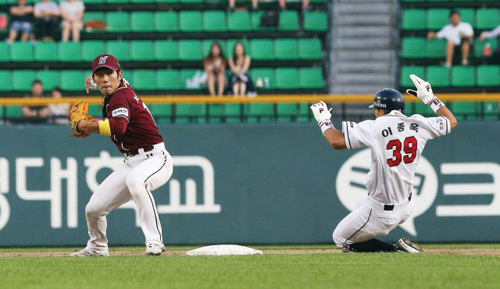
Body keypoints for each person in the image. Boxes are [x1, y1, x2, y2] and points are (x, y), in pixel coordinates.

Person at [310, 74, 458, 253]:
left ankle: (397, 251)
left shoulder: (376, 126)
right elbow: (451, 121)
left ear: (381, 110)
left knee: (340, 239)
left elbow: (337, 141)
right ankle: (381, 237)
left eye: (376, 109)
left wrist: (324, 121)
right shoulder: (419, 123)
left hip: (383, 211)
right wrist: (430, 99)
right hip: (406, 206)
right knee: (361, 202)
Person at [70, 54, 174, 257]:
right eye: (100, 75)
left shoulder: (120, 96)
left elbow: (118, 126)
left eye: (109, 73)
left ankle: (154, 241)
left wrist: (86, 125)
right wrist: (92, 81)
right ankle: (98, 247)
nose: (105, 78)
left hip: (155, 158)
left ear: (120, 75)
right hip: (132, 161)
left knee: (136, 181)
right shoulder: (118, 87)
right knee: (94, 208)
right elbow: (106, 81)